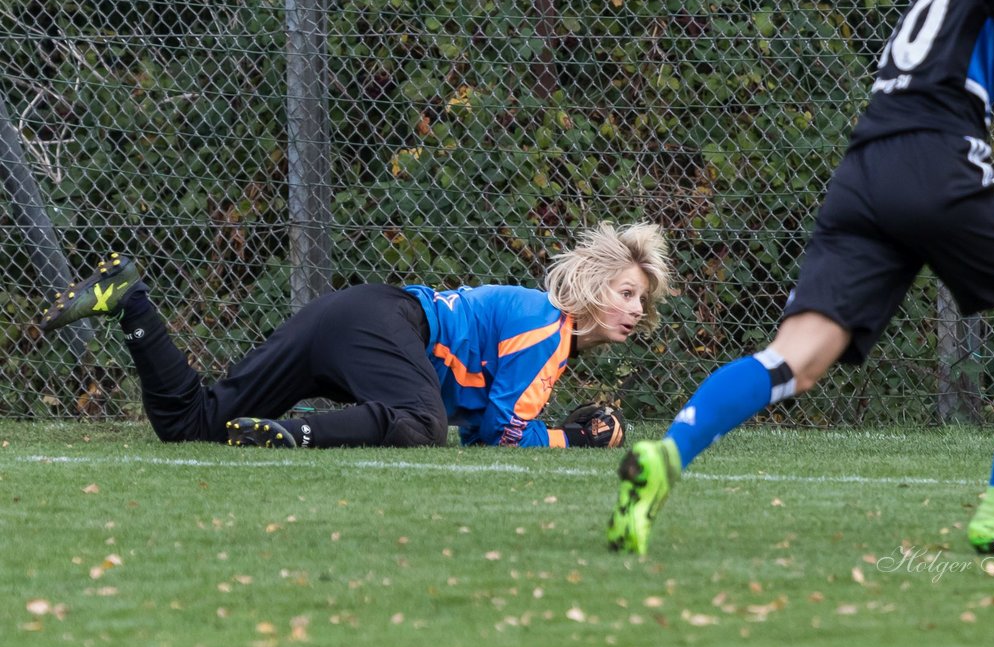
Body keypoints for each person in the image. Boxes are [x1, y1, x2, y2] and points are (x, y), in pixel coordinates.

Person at [607, 0, 994, 557]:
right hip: (939, 162)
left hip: (866, 174)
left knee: (794, 360)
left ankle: (667, 455)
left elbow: (971, 50)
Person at [39, 223, 670, 449]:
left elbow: (487, 425)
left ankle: (131, 303)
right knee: (420, 422)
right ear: (589, 288)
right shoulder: (549, 328)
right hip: (380, 320)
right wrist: (578, 439)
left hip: (348, 319)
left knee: (193, 425)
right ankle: (293, 432)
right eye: (625, 292)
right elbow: (501, 436)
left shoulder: (543, 332)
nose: (635, 309)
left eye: (641, 299)